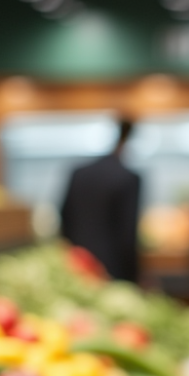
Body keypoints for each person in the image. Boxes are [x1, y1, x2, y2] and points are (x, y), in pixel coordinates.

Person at [59, 118, 141, 282]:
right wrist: (134, 276)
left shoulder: (79, 173)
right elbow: (127, 235)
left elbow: (64, 216)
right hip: (113, 268)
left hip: (77, 262)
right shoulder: (128, 178)